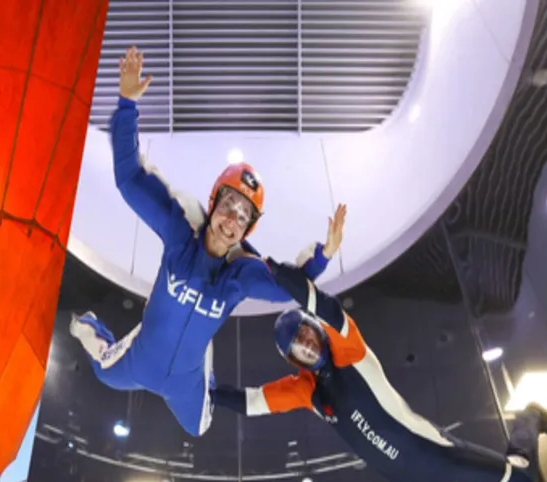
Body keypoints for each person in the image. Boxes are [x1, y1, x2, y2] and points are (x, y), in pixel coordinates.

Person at [70, 45, 344, 437]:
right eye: (228, 205)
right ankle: (91, 326)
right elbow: (130, 179)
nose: (231, 219)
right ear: (213, 202)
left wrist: (325, 255)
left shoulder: (242, 275)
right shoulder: (181, 231)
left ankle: (203, 365)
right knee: (102, 372)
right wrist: (127, 105)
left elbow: (291, 288)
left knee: (199, 428)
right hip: (140, 358)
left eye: (243, 216)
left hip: (186, 381)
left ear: (247, 230)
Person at [212, 255, 547, 482]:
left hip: (437, 455)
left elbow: (325, 306)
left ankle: (531, 416)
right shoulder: (307, 391)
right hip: (401, 479)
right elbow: (254, 402)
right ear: (293, 360)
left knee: (524, 480)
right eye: (297, 347)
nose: (307, 345)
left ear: (316, 329)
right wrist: (212, 395)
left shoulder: (349, 350)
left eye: (306, 333)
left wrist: (270, 268)